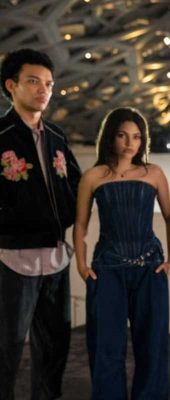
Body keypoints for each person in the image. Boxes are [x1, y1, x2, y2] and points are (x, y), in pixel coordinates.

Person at [73, 107, 170, 399]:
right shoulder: (93, 176)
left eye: (136, 136)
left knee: (153, 346)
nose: (130, 143)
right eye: (122, 135)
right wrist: (81, 266)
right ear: (110, 137)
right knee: (105, 347)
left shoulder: (154, 173)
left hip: (150, 269)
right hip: (107, 270)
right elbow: (80, 225)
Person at [0, 48, 81, 400]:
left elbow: (77, 184)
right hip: (12, 260)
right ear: (11, 85)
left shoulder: (57, 136)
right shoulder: (2, 135)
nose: (43, 90)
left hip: (56, 259)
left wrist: (68, 219)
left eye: (48, 83)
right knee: (6, 350)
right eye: (33, 81)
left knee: (54, 349)